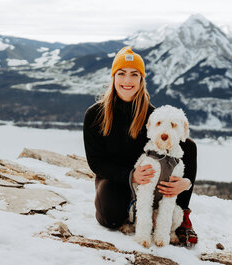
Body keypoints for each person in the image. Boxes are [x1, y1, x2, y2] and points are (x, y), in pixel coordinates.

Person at [83, 46, 198, 246]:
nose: (127, 81)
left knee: (189, 146)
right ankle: (132, 209)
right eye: (121, 74)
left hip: (148, 180)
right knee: (110, 219)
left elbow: (179, 144)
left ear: (141, 79)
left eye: (134, 74)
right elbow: (96, 163)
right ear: (113, 77)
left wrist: (186, 182)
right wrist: (131, 175)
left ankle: (182, 216)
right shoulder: (95, 115)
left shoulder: (152, 116)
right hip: (115, 178)